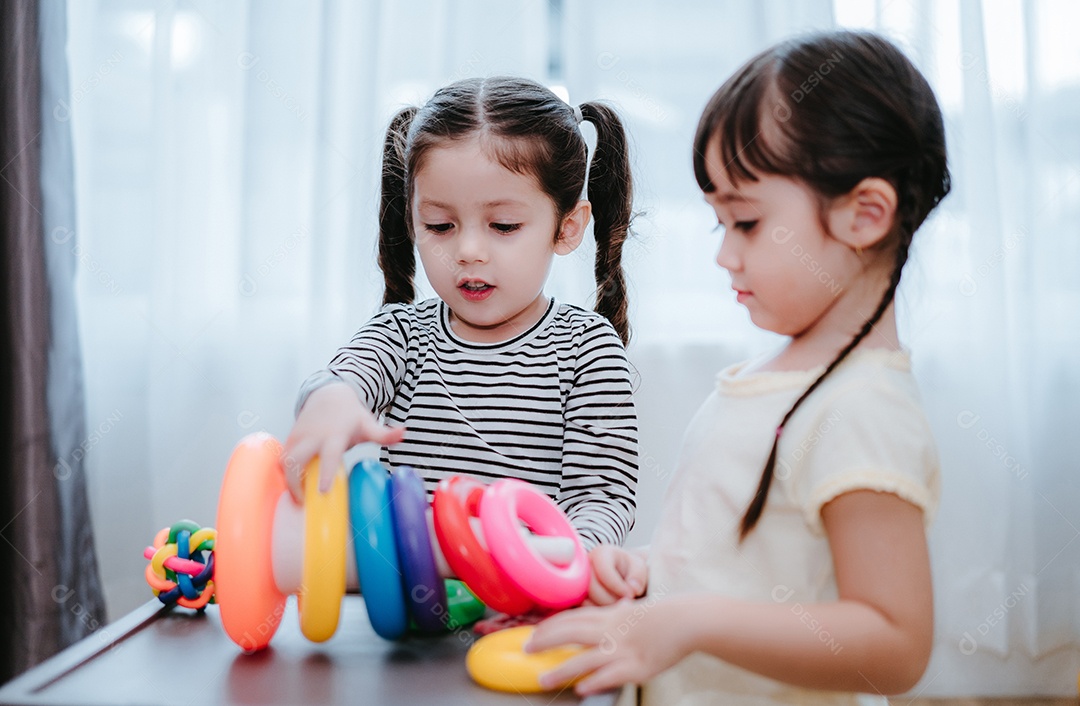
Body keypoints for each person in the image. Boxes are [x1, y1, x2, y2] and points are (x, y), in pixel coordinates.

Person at [526, 30, 950, 703]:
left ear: (865, 215)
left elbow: (896, 646)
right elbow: (730, 572)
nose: (724, 255)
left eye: (746, 223)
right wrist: (642, 577)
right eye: (718, 223)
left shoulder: (864, 410)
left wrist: (690, 621)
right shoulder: (766, 381)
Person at [283, 77, 639, 549]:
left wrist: (566, 562)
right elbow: (340, 379)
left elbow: (602, 500)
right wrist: (331, 400)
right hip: (412, 608)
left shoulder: (587, 349)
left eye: (504, 225)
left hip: (531, 606)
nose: (468, 251)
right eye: (440, 226)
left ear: (568, 226)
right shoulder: (401, 337)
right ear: (412, 221)